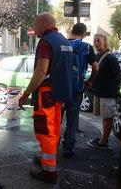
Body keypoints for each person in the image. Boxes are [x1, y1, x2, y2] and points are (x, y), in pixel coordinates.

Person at [19, 12, 73, 184]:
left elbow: (41, 71)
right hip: (60, 93)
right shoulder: (65, 41)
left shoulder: (45, 42)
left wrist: (26, 93)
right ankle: (46, 158)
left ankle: (49, 171)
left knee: (45, 131)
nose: (35, 29)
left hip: (47, 94)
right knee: (55, 128)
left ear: (44, 24)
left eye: (36, 25)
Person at [62, 23, 99, 158]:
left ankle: (52, 146)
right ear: (84, 34)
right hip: (77, 89)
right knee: (72, 120)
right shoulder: (86, 47)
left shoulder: (63, 43)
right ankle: (68, 148)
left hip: (61, 89)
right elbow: (95, 68)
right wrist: (89, 82)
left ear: (72, 31)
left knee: (56, 119)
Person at [88, 34, 121, 149]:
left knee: (108, 118)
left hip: (108, 93)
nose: (96, 43)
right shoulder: (97, 56)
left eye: (99, 41)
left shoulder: (110, 57)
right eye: (95, 41)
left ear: (105, 42)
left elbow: (118, 74)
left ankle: (103, 141)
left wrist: (115, 87)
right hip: (99, 92)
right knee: (104, 117)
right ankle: (104, 138)